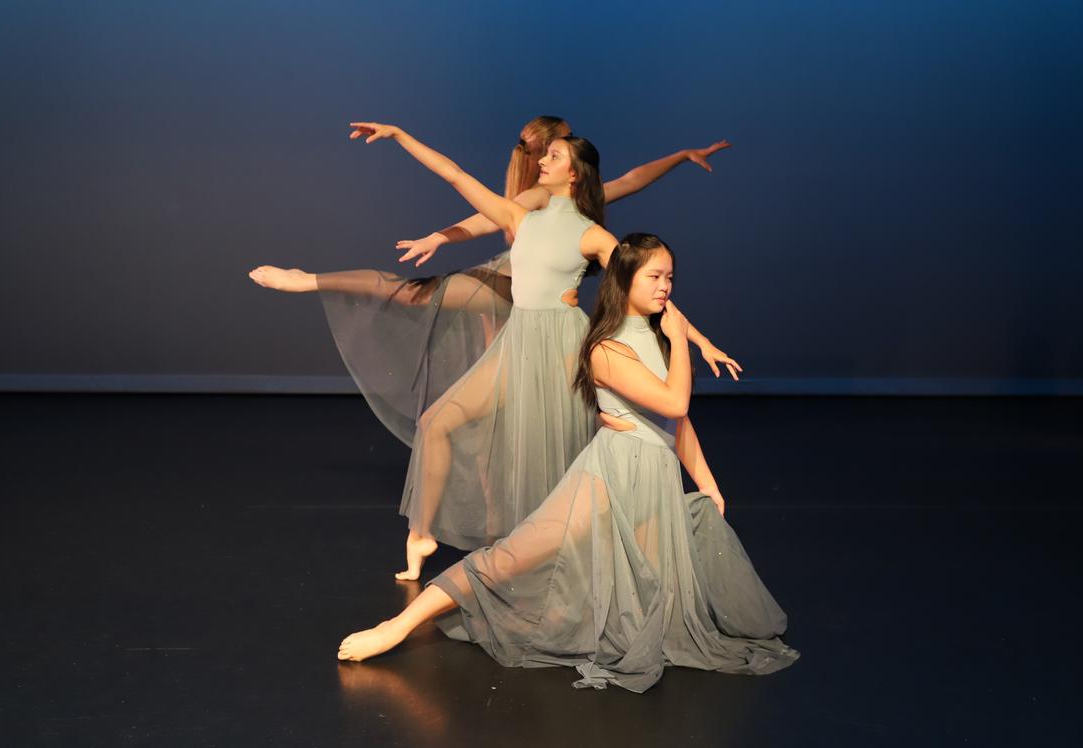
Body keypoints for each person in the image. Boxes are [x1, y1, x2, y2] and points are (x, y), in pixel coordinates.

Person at [337, 236, 798, 693]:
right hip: (611, 475)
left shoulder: (656, 338)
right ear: (624, 279)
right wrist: (682, 340)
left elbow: (676, 424)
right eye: (655, 276)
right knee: (512, 558)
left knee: (643, 599)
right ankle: (397, 625)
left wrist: (708, 483)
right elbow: (676, 403)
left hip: (654, 480)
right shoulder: (606, 348)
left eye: (670, 277)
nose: (665, 287)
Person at [248, 115, 737, 444]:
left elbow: (633, 182)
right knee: (419, 301)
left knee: (533, 402)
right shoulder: (538, 198)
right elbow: (477, 203)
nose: (555, 156)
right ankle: (309, 280)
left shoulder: (584, 207)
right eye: (554, 147)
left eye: (563, 150)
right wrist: (439, 235)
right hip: (508, 287)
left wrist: (681, 155)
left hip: (543, 306)